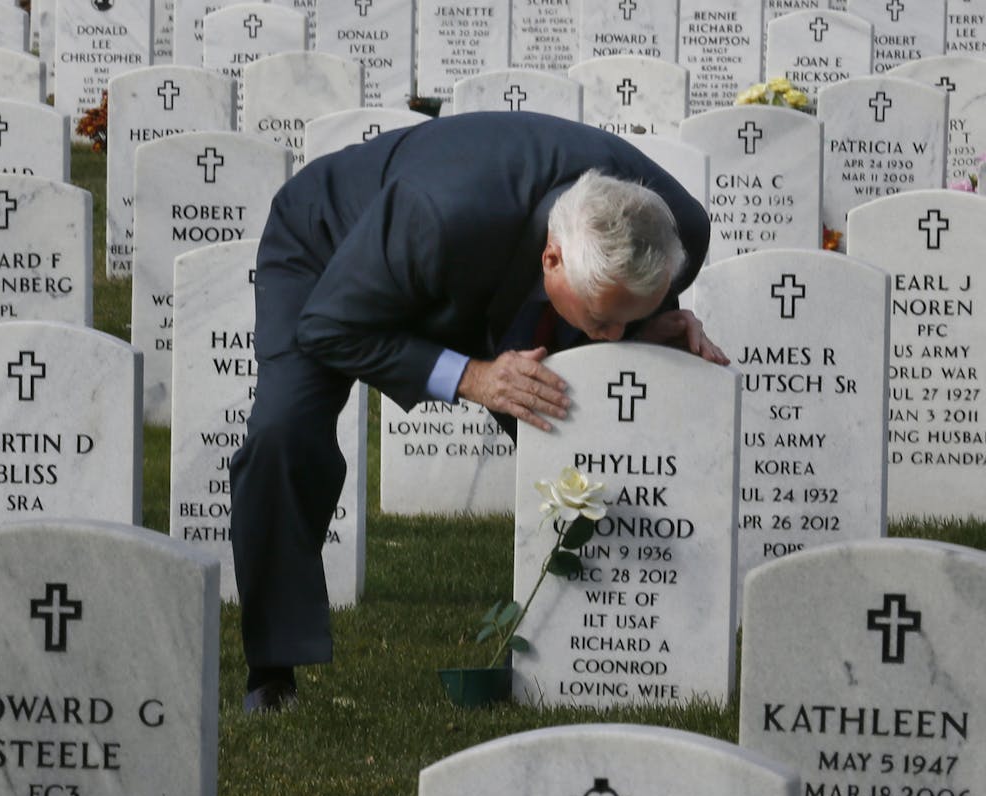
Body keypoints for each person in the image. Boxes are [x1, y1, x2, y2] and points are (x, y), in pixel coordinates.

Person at [229, 112, 728, 713]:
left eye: (626, 315)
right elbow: (328, 327)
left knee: (578, 413)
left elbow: (628, 309)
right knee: (284, 433)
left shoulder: (683, 230)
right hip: (332, 244)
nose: (613, 335)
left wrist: (649, 328)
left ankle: (626, 634)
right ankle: (272, 670)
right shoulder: (437, 215)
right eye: (602, 322)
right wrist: (472, 375)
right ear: (552, 261)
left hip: (492, 261)